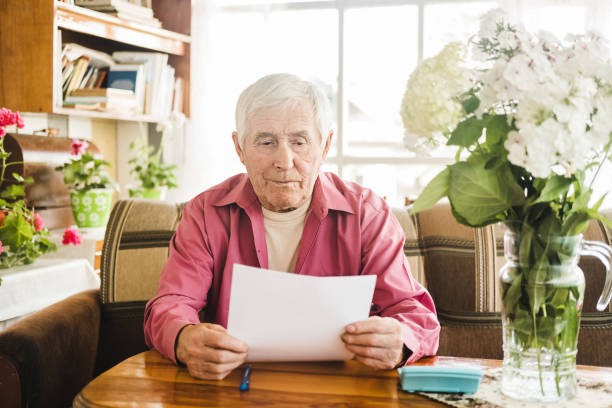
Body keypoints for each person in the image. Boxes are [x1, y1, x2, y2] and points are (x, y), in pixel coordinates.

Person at [144, 73, 440, 380]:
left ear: (325, 146)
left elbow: (416, 316)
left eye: (299, 142)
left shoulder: (368, 214)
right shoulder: (205, 213)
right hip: (235, 385)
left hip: (345, 389)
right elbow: (171, 304)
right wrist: (183, 339)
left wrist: (400, 341)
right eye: (266, 142)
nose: (284, 161)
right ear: (239, 148)